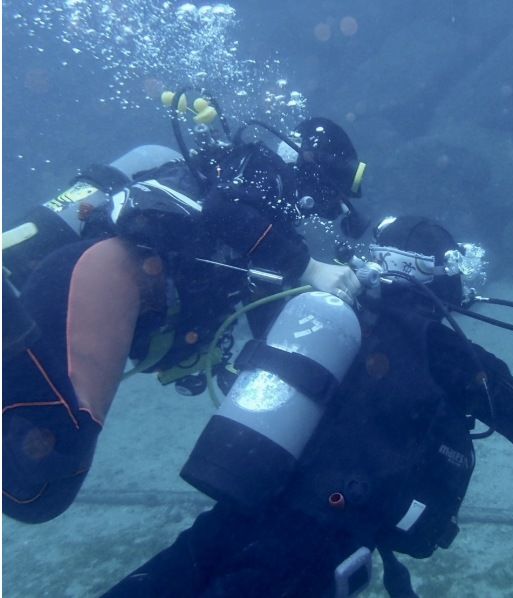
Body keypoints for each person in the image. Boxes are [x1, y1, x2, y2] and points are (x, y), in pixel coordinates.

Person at [101, 216, 513, 598]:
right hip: (317, 548)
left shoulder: (310, 316)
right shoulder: (449, 353)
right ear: (441, 282)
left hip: (240, 506)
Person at [2, 108, 368, 524]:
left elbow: (263, 319)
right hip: (105, 273)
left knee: (33, 477)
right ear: (314, 169)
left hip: (98, 283)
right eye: (331, 195)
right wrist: (310, 267)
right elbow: (221, 210)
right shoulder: (267, 175)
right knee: (43, 478)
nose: (321, 210)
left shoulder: (261, 218)